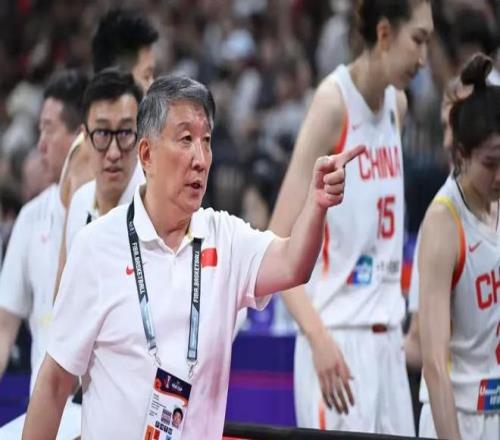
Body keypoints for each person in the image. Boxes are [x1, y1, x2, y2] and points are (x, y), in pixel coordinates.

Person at [22, 75, 363, 439]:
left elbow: (294, 264)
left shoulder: (226, 238)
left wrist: (317, 205)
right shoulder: (96, 246)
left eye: (207, 141)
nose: (200, 159)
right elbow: (54, 383)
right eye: (186, 140)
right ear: (147, 155)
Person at [269, 0, 433, 435]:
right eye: (418, 40)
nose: (424, 58)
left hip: (389, 346)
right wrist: (319, 340)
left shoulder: (397, 106)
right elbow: (275, 241)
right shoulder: (333, 103)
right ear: (384, 34)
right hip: (336, 342)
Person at [0, 70, 87, 437]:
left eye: (49, 130)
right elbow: (4, 326)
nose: (40, 144)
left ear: (80, 134)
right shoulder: (31, 216)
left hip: (96, 412)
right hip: (46, 412)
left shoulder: (117, 215)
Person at [418, 53, 500, 440]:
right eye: (491, 163)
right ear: (463, 155)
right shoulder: (443, 222)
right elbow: (434, 364)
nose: (499, 175)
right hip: (457, 416)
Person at [58, 7, 159, 211]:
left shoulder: (132, 140)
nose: (153, 86)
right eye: (147, 76)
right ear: (119, 77)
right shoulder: (89, 160)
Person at [63, 69, 144, 272]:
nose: (114, 153)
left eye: (125, 132)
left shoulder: (157, 210)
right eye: (102, 133)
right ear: (85, 137)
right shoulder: (79, 202)